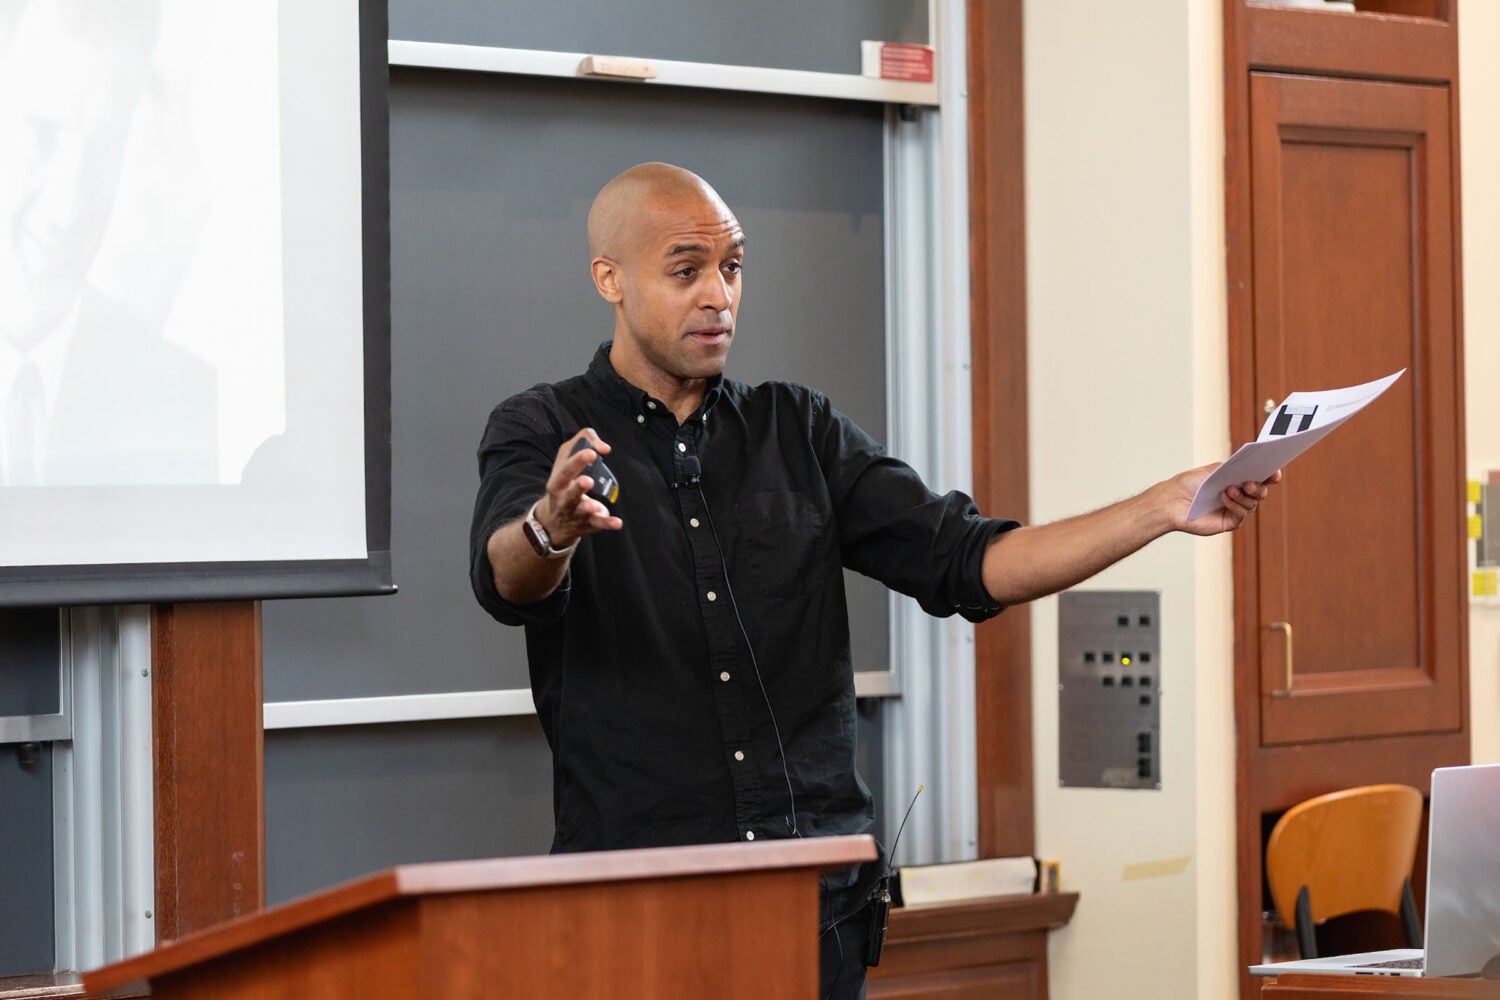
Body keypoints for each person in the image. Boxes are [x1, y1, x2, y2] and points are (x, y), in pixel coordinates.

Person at [470, 162, 1279, 999]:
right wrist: (550, 528)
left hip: (814, 906)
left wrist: (1159, 508)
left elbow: (971, 562)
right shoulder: (544, 428)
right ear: (610, 277)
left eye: (733, 266)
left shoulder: (801, 429)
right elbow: (507, 582)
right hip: (638, 908)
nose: (719, 295)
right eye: (686, 271)